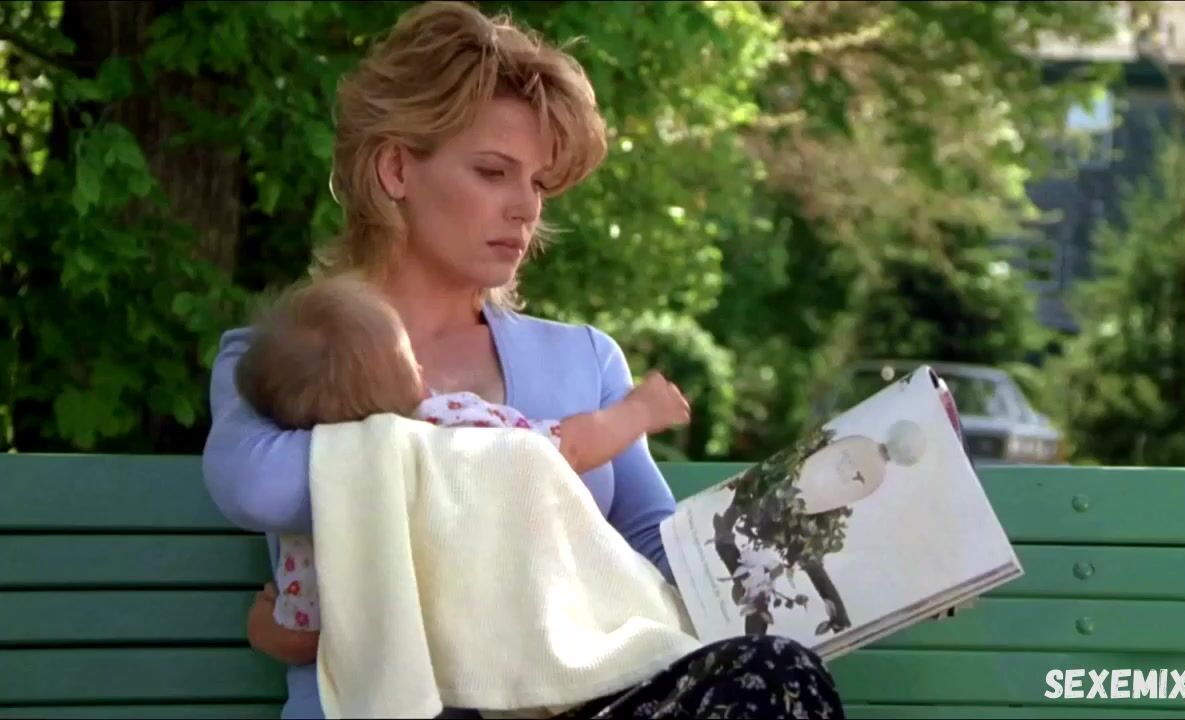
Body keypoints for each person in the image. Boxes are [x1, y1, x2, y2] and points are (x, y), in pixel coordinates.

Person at [201, 2, 847, 718]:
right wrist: (533, 450)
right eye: (493, 172)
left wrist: (837, 556)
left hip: (578, 706)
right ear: (395, 168)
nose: (525, 209)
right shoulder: (287, 354)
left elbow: (662, 557)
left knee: (780, 675)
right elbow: (255, 487)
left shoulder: (583, 359)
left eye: (537, 183)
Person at [231, 273, 691, 633]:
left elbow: (315, 633)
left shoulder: (321, 503)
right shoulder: (448, 424)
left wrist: (265, 631)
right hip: (527, 645)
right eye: (407, 357)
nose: (421, 364)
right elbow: (561, 449)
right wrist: (638, 411)